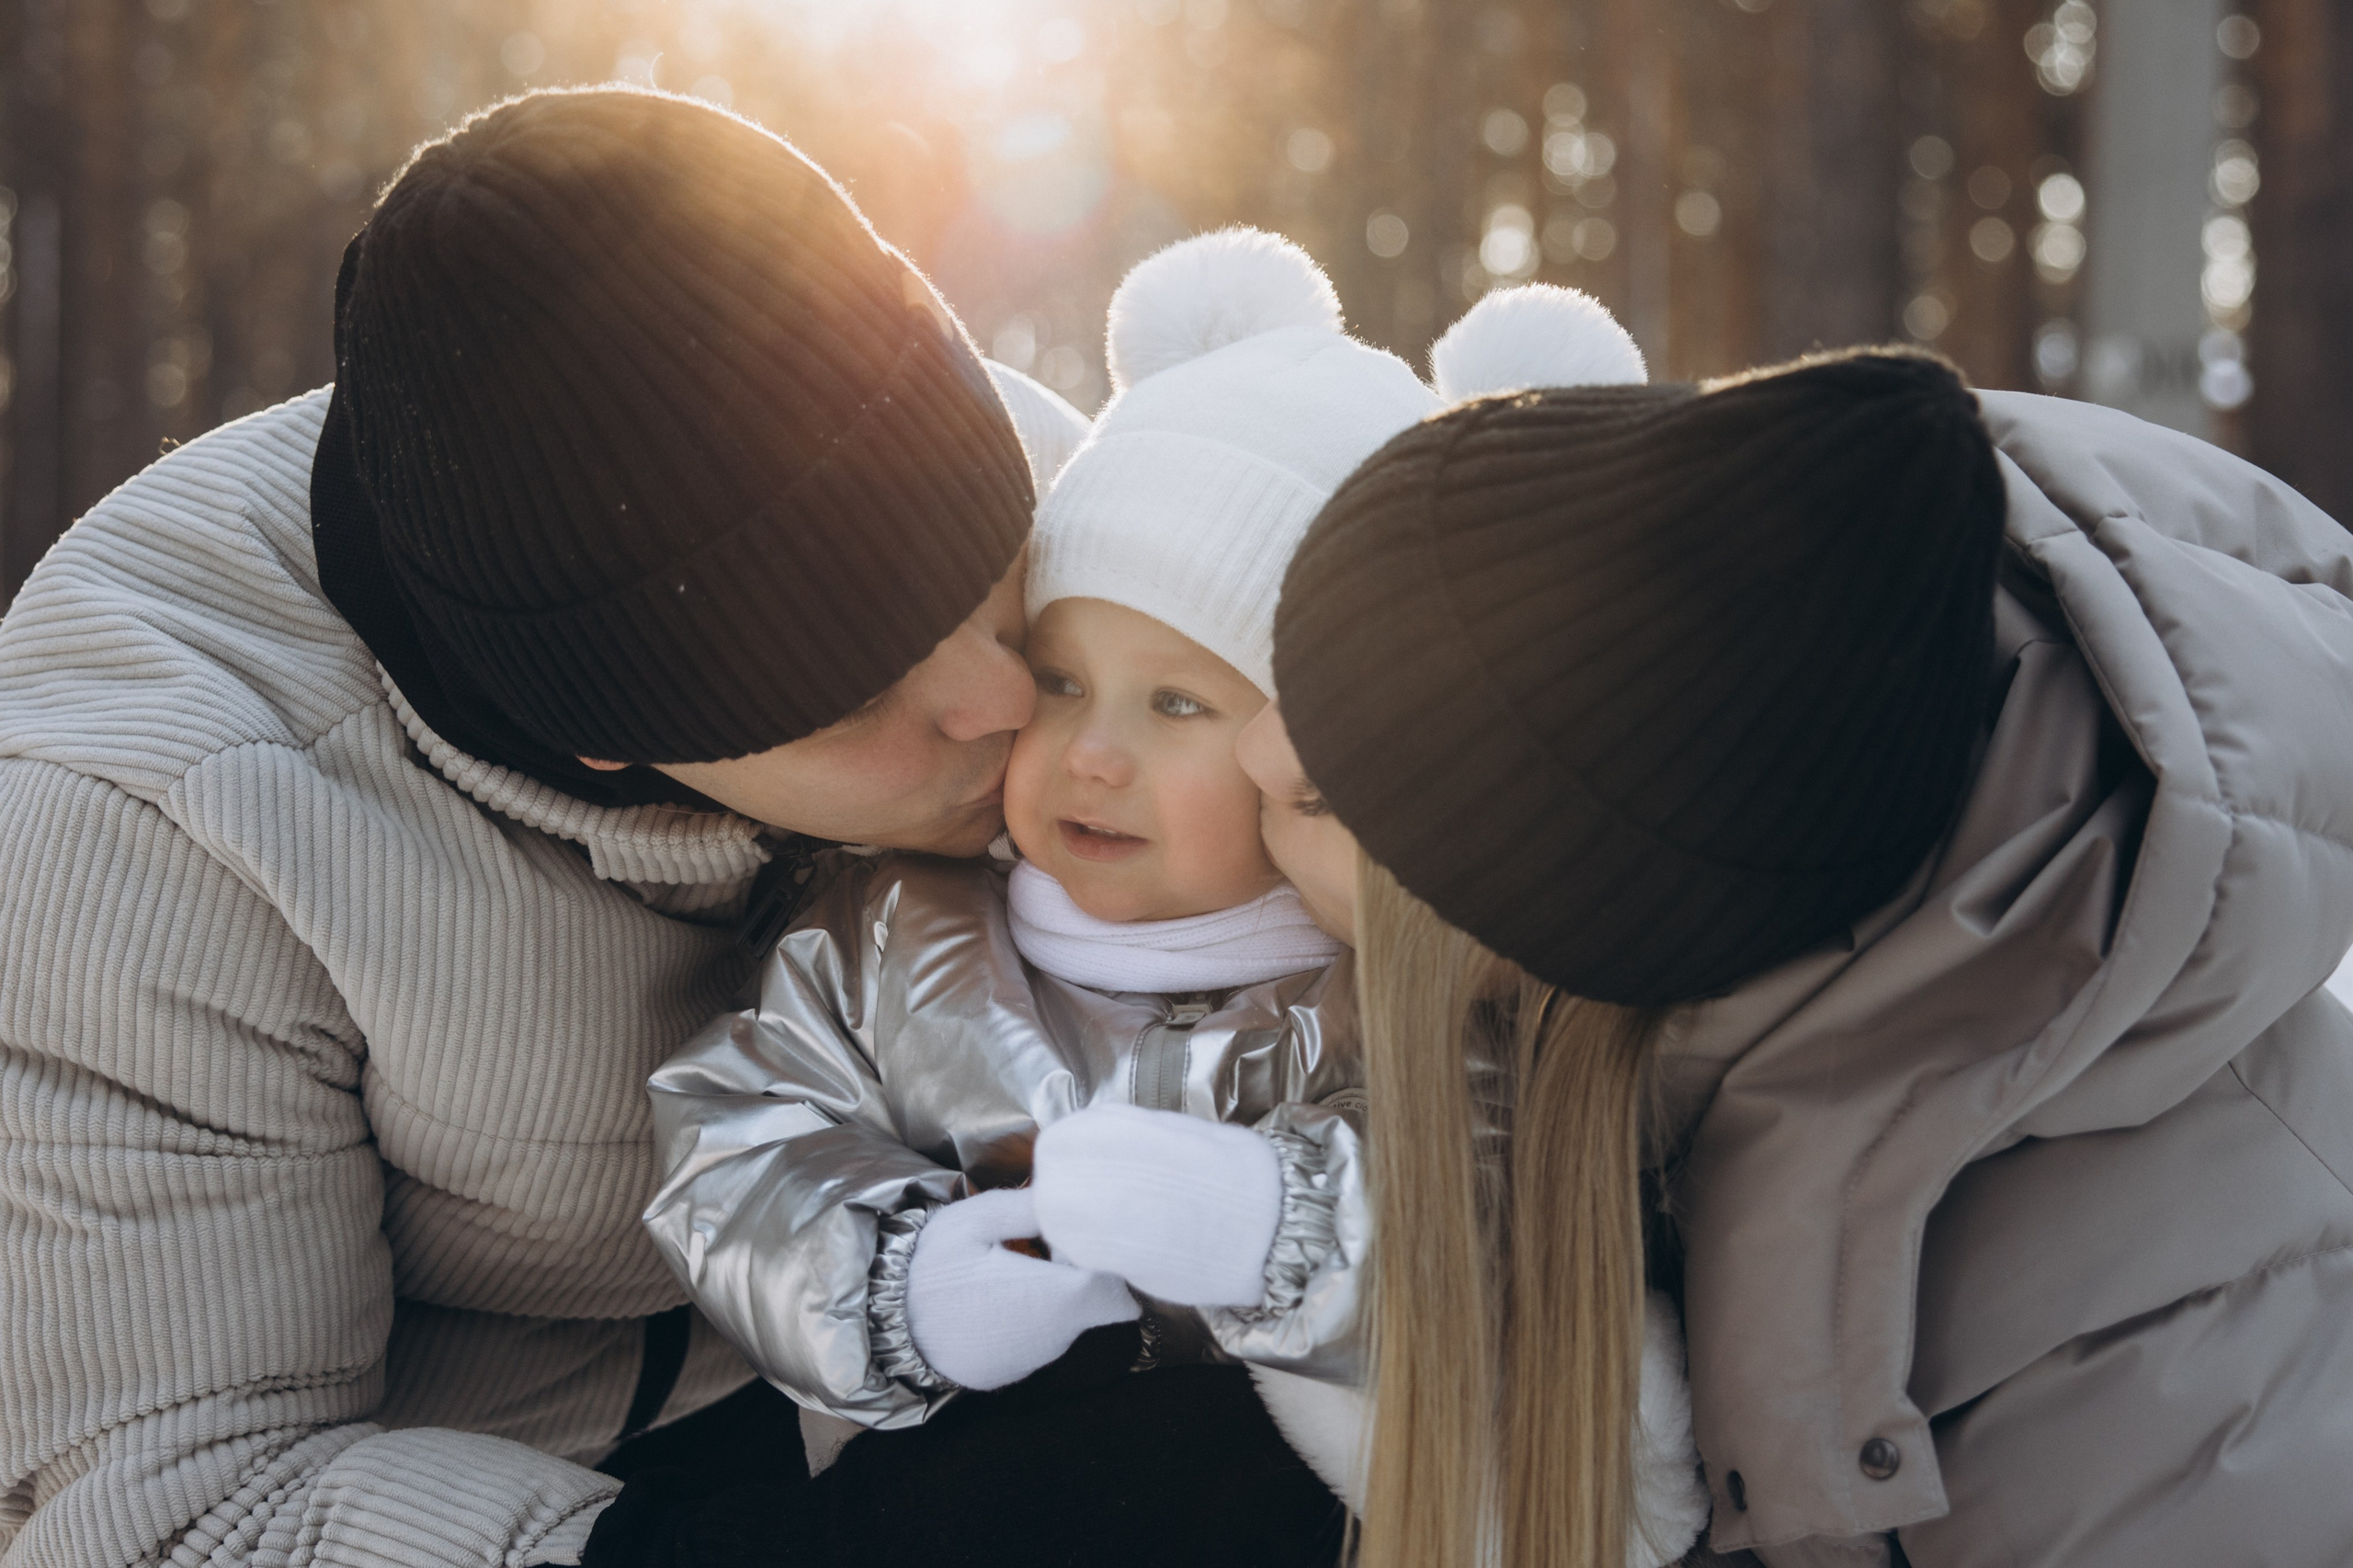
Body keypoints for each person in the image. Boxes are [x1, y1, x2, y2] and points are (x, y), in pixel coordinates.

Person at [0, 86, 1094, 1566]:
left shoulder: (1050, 492)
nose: (1012, 694)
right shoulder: (151, 813)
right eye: (858, 689)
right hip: (508, 1489)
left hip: (935, 1337)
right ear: (608, 729)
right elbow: (181, 1506)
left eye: (990, 567)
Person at [1257, 347, 2353, 1568]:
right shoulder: (1818, 720)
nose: (1252, 762)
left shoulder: (2185, 1356)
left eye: (1323, 788)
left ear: (1561, 906)